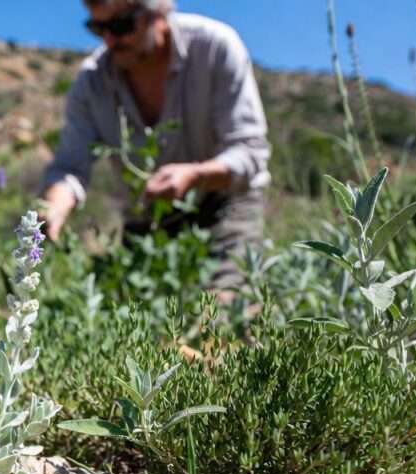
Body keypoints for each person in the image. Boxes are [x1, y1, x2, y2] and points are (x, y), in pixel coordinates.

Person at [40, 0, 271, 290]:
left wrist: (195, 176)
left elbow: (250, 151)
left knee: (223, 319)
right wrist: (54, 207)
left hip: (224, 204)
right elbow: (69, 167)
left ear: (158, 13)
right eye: (97, 28)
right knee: (127, 323)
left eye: (120, 26)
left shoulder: (215, 47)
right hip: (145, 220)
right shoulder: (91, 83)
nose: (109, 40)